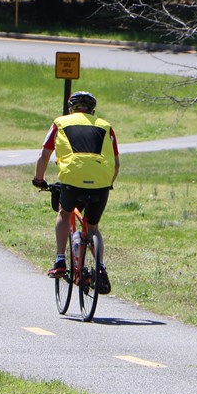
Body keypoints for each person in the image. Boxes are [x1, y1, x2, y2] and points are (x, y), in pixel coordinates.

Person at [32, 91, 120, 294]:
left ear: (71, 108)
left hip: (72, 178)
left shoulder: (60, 123)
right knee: (93, 227)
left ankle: (60, 259)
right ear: (92, 110)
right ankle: (100, 266)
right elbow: (115, 163)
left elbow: (44, 155)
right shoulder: (106, 126)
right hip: (101, 182)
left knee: (64, 212)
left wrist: (39, 180)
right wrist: (109, 183)